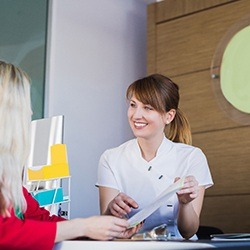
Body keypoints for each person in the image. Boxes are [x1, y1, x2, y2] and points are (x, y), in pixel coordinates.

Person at [0, 61, 140, 250]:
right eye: (25, 104)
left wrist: (102, 229)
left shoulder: (10, 182)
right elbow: (6, 232)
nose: (31, 112)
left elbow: (42, 219)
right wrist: (83, 227)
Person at [96, 74, 213, 240]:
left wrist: (185, 204)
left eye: (148, 108)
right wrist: (111, 210)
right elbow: (108, 229)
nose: (136, 115)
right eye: (133, 105)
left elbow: (188, 231)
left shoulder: (192, 157)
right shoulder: (110, 158)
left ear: (169, 116)